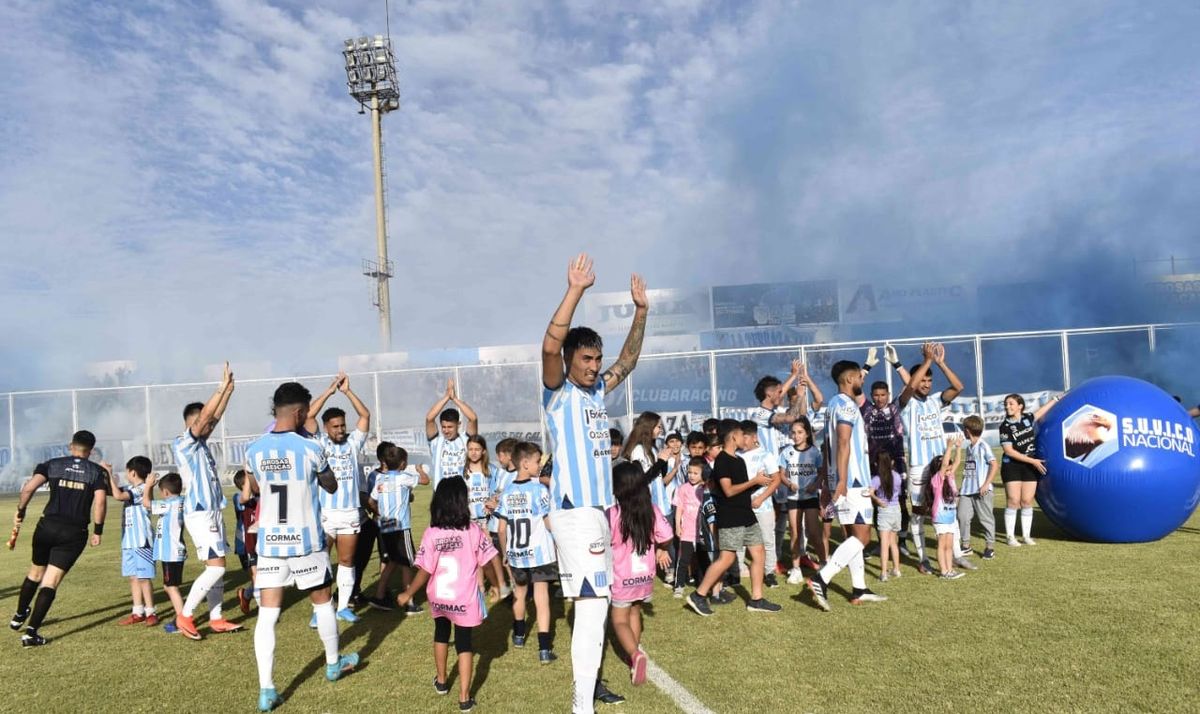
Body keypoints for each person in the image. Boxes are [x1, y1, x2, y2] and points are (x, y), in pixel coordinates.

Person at [541, 253, 648, 711]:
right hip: (576, 512)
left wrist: (642, 312)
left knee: (595, 606)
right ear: (570, 359)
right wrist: (576, 290)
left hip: (598, 513)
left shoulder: (598, 390)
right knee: (593, 607)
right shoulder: (557, 390)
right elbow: (548, 348)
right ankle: (582, 703)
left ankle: (587, 694)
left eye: (596, 358)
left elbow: (629, 359)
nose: (594, 365)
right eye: (586, 358)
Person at [245, 382, 359, 712]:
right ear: (298, 412)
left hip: (270, 544)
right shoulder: (310, 448)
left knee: (268, 614)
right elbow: (331, 484)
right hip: (306, 541)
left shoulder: (253, 450)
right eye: (307, 411)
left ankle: (266, 690)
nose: (308, 416)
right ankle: (334, 663)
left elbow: (252, 488)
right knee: (323, 602)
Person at [396, 478, 502, 713]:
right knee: (464, 643)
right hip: (463, 598)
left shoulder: (432, 533)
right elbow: (488, 560)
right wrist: (496, 585)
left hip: (439, 598)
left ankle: (442, 681)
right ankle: (464, 697)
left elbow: (425, 570)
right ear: (462, 502)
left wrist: (409, 593)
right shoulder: (472, 530)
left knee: (441, 633)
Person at [8, 430, 109, 647]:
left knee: (35, 572)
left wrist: (21, 511)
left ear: (70, 446)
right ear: (90, 451)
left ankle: (18, 616)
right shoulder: (97, 472)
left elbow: (28, 489)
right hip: (73, 533)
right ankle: (31, 632)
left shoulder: (52, 464)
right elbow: (100, 502)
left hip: (47, 526)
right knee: (50, 582)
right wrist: (98, 531)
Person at [806, 361, 888, 611]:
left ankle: (859, 589)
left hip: (840, 479)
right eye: (859, 378)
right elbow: (842, 442)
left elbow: (827, 446)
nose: (862, 382)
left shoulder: (832, 404)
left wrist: (827, 481)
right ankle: (822, 577)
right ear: (850, 378)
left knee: (853, 535)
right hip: (852, 481)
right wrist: (841, 480)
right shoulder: (846, 405)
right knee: (863, 537)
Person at [685, 420, 780, 616]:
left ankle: (756, 599)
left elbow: (740, 488)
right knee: (726, 558)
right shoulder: (722, 461)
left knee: (759, 552)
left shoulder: (738, 460)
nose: (745, 438)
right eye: (741, 434)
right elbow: (728, 491)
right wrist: (754, 481)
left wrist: (758, 484)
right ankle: (699, 595)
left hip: (746, 514)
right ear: (733, 437)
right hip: (730, 517)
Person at [173, 362, 240, 638]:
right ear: (192, 422)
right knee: (216, 567)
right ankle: (186, 615)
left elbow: (213, 417)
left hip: (212, 511)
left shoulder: (200, 443)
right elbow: (205, 419)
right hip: (199, 513)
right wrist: (219, 388)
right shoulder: (184, 442)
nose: (210, 424)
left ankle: (216, 617)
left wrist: (228, 393)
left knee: (218, 566)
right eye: (204, 420)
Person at [304, 372, 372, 623]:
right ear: (326, 428)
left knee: (346, 561)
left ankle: (343, 606)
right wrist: (330, 391)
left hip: (350, 513)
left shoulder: (353, 443)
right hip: (325, 514)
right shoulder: (318, 442)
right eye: (336, 426)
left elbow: (365, 416)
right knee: (320, 561)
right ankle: (318, 611)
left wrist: (348, 392)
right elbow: (309, 416)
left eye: (343, 425)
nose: (341, 430)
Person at [898, 343, 966, 574]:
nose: (925, 385)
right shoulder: (905, 403)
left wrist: (939, 363)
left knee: (947, 507)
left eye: (929, 381)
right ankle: (924, 558)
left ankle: (956, 554)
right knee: (919, 512)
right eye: (922, 381)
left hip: (940, 465)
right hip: (919, 467)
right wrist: (926, 360)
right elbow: (910, 386)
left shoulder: (936, 400)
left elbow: (958, 386)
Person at [608, 461, 673, 686]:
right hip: (645, 576)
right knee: (635, 613)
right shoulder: (652, 510)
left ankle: (635, 655)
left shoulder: (613, 514)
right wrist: (662, 549)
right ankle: (634, 656)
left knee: (618, 620)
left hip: (621, 576)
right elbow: (667, 535)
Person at [495, 442, 558, 664]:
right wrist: (561, 539)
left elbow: (501, 529)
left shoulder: (507, 492)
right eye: (537, 461)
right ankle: (543, 649)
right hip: (540, 554)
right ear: (524, 463)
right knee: (541, 598)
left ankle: (519, 635)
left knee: (519, 594)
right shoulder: (539, 489)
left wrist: (505, 553)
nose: (539, 465)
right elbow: (548, 521)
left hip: (516, 553)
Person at [367, 445, 428, 613]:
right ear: (402, 464)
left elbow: (371, 502)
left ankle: (379, 596)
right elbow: (425, 481)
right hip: (401, 528)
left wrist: (381, 513)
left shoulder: (380, 480)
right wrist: (419, 470)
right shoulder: (404, 478)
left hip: (385, 527)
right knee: (407, 563)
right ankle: (409, 601)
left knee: (392, 562)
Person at [999, 393, 1059, 546]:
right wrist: (1032, 461)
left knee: (1026, 501)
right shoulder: (1005, 426)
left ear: (1020, 406)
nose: (1008, 406)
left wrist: (1056, 399)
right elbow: (1009, 451)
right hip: (1012, 466)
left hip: (1030, 466)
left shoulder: (1028, 418)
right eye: (1006, 404)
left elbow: (1042, 411)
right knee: (1013, 501)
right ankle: (1010, 537)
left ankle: (1026, 536)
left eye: (1011, 403)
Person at [109, 455, 157, 626]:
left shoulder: (142, 488)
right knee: (133, 577)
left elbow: (118, 496)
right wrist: (107, 476)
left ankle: (151, 611)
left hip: (141, 539)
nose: (126, 474)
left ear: (133, 472)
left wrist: (109, 473)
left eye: (127, 471)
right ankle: (138, 611)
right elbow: (111, 490)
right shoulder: (132, 487)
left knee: (144, 577)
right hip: (128, 541)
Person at [737, 418, 783, 587]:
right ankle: (738, 570)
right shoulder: (737, 456)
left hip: (763, 507)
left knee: (767, 540)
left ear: (754, 436)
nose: (742, 441)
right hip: (742, 507)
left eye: (745, 437)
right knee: (740, 540)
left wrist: (760, 498)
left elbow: (776, 480)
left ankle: (769, 572)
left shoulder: (766, 455)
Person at [779, 417, 825, 583]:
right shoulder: (786, 452)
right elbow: (781, 475)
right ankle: (796, 568)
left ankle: (825, 564)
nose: (796, 436)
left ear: (807, 434)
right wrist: (789, 483)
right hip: (793, 498)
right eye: (793, 432)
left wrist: (815, 485)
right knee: (795, 532)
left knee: (814, 532)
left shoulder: (815, 452)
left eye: (800, 432)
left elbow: (821, 473)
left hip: (810, 497)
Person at [143, 472, 189, 636]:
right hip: (177, 551)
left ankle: (183, 620)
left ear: (166, 492)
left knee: (171, 587)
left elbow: (146, 503)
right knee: (169, 586)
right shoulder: (182, 501)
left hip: (170, 553)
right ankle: (183, 618)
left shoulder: (168, 504)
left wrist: (148, 485)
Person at [425, 378, 480, 488]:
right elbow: (429, 418)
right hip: (441, 494)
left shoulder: (466, 439)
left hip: (462, 494)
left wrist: (454, 398)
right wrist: (446, 397)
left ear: (458, 424)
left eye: (450, 427)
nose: (446, 430)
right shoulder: (437, 441)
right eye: (443, 427)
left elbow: (473, 418)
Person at [958, 415, 998, 560]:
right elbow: (969, 469)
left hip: (982, 490)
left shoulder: (983, 446)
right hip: (966, 490)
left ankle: (990, 547)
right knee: (962, 516)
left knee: (985, 518)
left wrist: (986, 484)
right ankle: (965, 545)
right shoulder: (969, 448)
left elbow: (994, 464)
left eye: (964, 429)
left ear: (968, 431)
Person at [924, 439, 963, 579]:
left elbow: (956, 463)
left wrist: (958, 448)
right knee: (942, 544)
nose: (949, 469)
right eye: (946, 468)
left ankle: (949, 570)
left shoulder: (950, 478)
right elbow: (945, 464)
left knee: (949, 545)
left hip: (950, 518)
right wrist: (949, 447)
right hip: (940, 518)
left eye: (949, 468)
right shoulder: (937, 480)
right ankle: (943, 571)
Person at [671, 457, 705, 597]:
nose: (692, 475)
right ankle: (679, 585)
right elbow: (679, 508)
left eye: (695, 473)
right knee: (683, 559)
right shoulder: (682, 489)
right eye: (690, 472)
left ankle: (703, 584)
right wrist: (678, 526)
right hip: (687, 532)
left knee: (702, 559)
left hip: (701, 533)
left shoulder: (705, 489)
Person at [870, 452, 903, 582]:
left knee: (884, 544)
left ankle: (884, 573)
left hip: (884, 510)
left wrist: (876, 499)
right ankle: (896, 569)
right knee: (893, 543)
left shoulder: (876, 479)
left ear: (877, 464)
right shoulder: (897, 476)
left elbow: (870, 492)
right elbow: (898, 493)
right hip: (896, 510)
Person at [234, 469, 262, 614]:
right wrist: (248, 472)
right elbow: (245, 497)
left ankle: (245, 594)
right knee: (257, 577)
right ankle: (264, 610)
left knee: (264, 576)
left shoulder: (262, 495)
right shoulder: (238, 498)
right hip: (247, 545)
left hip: (262, 542)